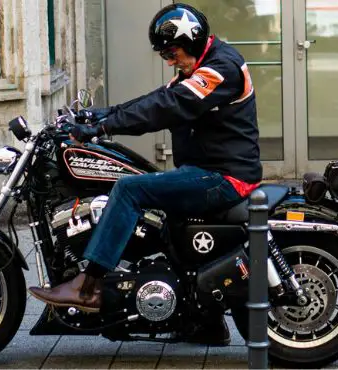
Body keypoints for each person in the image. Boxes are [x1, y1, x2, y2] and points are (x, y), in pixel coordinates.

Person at [28, 3, 262, 345]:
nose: (168, 60)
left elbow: (168, 107)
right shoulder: (201, 65)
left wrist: (106, 126)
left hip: (223, 177)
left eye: (172, 52)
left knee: (129, 190)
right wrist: (98, 115)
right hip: (206, 170)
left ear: (192, 40)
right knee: (163, 221)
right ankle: (205, 323)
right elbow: (157, 98)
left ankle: (88, 286)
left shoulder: (219, 69)